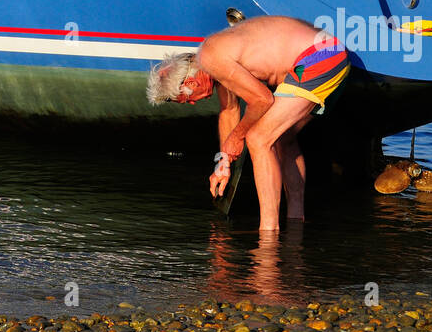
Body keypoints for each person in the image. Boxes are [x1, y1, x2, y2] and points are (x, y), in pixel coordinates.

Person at [147, 15, 350, 231]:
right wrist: (223, 164)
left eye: (187, 99)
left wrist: (238, 136)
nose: (192, 103)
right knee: (282, 137)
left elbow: (263, 99)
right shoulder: (213, 62)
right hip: (328, 53)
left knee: (259, 139)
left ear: (190, 82)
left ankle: (268, 233)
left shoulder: (211, 57)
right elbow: (229, 111)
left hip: (320, 57)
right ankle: (295, 221)